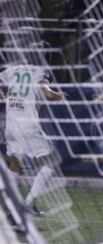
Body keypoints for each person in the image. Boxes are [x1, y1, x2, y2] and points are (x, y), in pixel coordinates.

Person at [0, 41, 66, 217]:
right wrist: (56, 95)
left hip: (11, 125)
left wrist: (4, 98)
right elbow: (44, 89)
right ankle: (28, 202)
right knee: (50, 163)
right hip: (28, 124)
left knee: (14, 165)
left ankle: (10, 207)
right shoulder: (40, 71)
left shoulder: (13, 70)